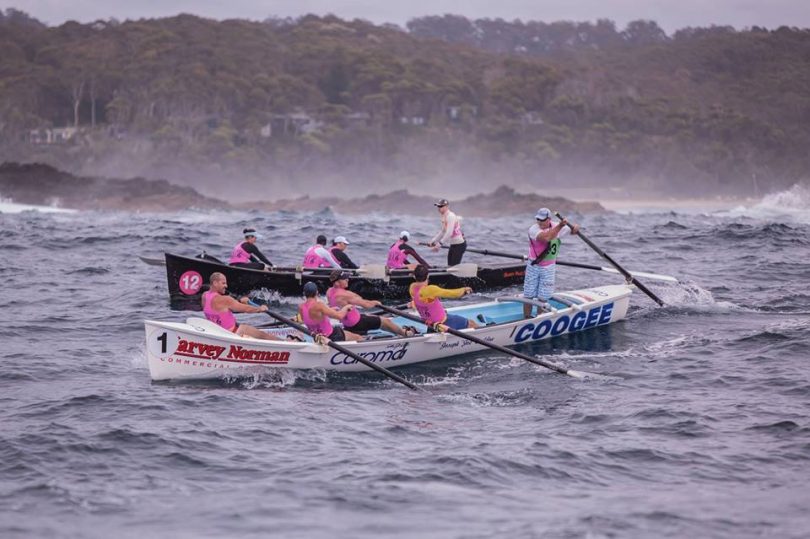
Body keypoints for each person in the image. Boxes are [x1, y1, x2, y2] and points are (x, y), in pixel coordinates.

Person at [522, 207, 580, 318]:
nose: (539, 222)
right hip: (533, 265)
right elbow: (547, 238)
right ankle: (526, 318)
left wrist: (576, 228)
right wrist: (560, 225)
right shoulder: (533, 229)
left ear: (549, 219)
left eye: (542, 220)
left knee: (543, 297)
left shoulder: (557, 226)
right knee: (528, 295)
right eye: (538, 219)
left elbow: (572, 230)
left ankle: (539, 318)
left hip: (548, 267)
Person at [327, 270, 416, 337]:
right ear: (337, 282)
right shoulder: (345, 294)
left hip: (346, 324)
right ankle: (406, 333)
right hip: (358, 323)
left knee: (370, 316)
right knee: (385, 321)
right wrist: (375, 302)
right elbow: (366, 305)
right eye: (344, 279)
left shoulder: (329, 291)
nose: (347, 279)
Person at [201, 272, 282, 340]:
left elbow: (222, 309)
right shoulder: (225, 299)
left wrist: (239, 301)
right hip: (234, 333)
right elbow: (245, 309)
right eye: (223, 283)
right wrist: (260, 309)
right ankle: (285, 343)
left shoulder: (204, 296)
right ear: (215, 283)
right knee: (263, 335)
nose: (226, 286)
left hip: (218, 332)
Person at [409, 264, 478, 331]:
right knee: (471, 323)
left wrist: (413, 303)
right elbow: (452, 294)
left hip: (431, 325)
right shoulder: (431, 290)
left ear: (414, 277)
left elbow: (420, 301)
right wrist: (464, 290)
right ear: (428, 276)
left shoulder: (412, 288)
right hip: (444, 323)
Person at [428, 199, 467, 266]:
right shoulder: (443, 216)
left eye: (441, 206)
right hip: (453, 245)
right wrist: (433, 241)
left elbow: (449, 233)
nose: (439, 208)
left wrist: (439, 244)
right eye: (438, 206)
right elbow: (443, 231)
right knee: (449, 267)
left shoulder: (450, 216)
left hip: (459, 245)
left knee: (453, 268)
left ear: (446, 206)